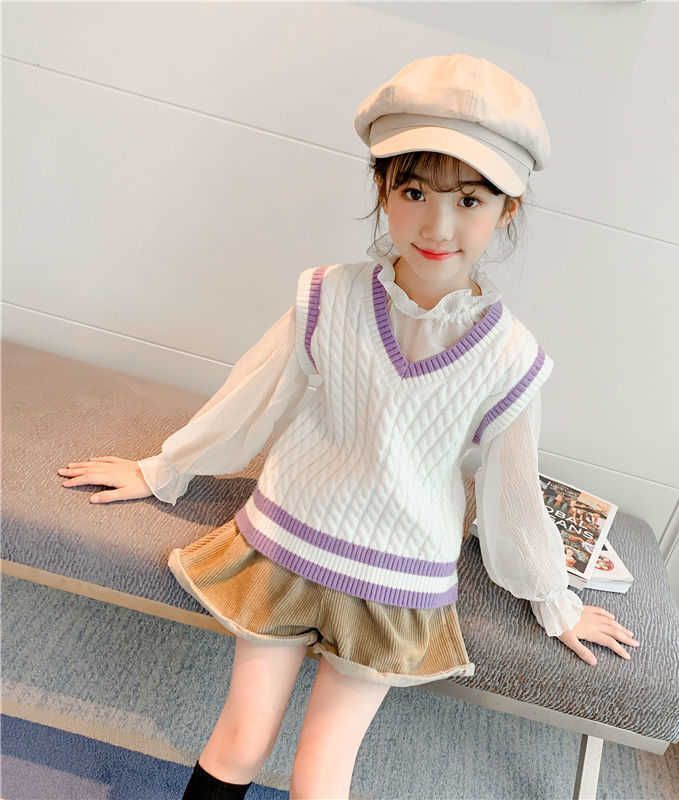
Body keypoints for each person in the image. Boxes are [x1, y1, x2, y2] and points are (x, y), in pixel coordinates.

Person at [57, 54, 639, 800]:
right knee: (240, 741)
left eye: (469, 199)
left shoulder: (511, 358)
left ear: (507, 211)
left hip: (398, 580)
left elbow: (512, 495)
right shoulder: (327, 296)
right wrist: (161, 469)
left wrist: (554, 601)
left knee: (321, 774)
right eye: (415, 190)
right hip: (289, 539)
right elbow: (251, 399)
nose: (437, 224)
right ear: (382, 189)